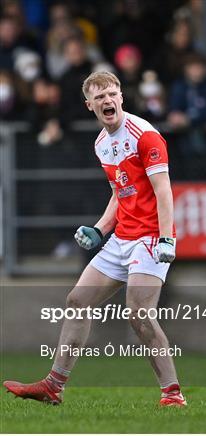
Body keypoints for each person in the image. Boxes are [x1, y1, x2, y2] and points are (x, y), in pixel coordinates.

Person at [3, 71, 186, 408]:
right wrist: (100, 229)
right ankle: (53, 386)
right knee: (77, 301)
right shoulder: (102, 143)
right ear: (89, 105)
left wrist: (165, 238)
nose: (108, 100)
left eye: (112, 93)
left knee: (139, 313)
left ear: (121, 97)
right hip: (122, 236)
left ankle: (172, 394)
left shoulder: (145, 135)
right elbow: (120, 193)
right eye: (100, 97)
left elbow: (163, 191)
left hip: (149, 236)